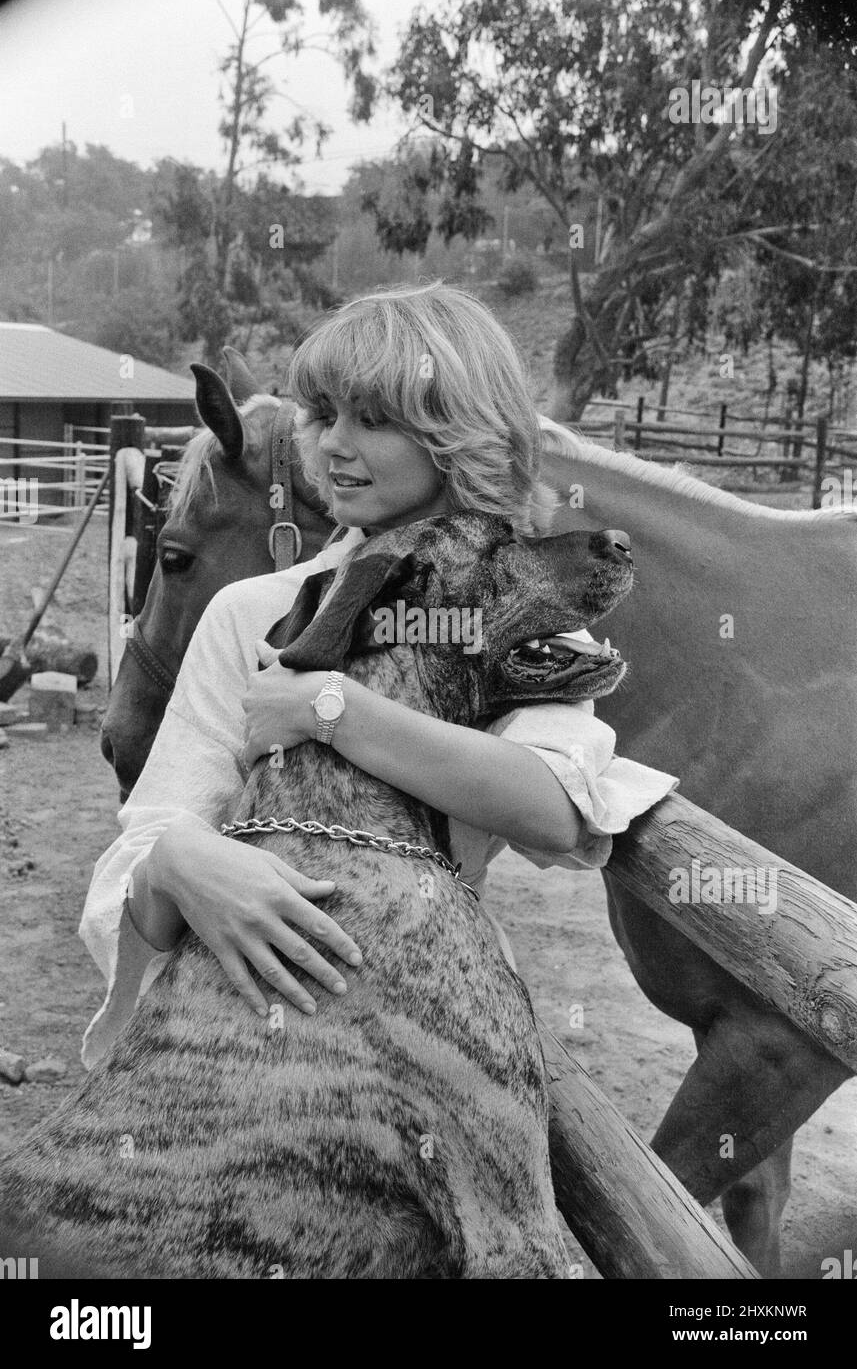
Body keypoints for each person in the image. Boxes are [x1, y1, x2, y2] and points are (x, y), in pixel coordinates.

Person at [79, 282, 678, 1068]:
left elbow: (554, 807)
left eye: (374, 418)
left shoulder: (512, 617)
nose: (331, 445)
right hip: (240, 1022)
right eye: (321, 415)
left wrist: (328, 708)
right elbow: (148, 852)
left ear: (456, 435)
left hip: (423, 1012)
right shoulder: (249, 611)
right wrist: (182, 863)